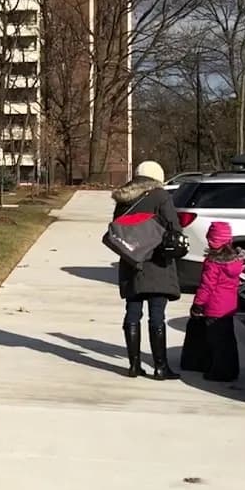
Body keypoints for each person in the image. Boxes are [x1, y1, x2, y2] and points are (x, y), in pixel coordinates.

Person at [111, 160, 181, 381]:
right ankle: (160, 367)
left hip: (132, 261)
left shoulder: (124, 198)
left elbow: (118, 229)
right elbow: (174, 228)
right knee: (157, 315)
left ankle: (134, 365)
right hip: (156, 262)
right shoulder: (161, 197)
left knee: (132, 313)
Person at [182, 221, 245, 383]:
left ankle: (219, 372)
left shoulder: (213, 263)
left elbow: (206, 286)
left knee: (216, 341)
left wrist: (197, 305)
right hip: (229, 307)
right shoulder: (236, 260)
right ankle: (231, 370)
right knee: (228, 340)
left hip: (214, 307)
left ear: (212, 240)